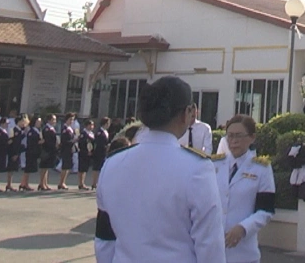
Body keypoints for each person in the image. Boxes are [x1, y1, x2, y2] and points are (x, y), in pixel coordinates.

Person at [94, 75, 226, 263]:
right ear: (186, 113)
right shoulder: (197, 168)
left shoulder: (113, 163)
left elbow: (104, 239)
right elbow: (210, 245)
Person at [214, 114, 276, 263]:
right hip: (213, 250)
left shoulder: (261, 168)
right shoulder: (214, 165)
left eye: (239, 136)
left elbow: (266, 210)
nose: (233, 141)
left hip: (243, 252)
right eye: (230, 136)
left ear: (252, 138)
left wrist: (243, 228)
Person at [4, 114, 25, 191]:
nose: (23, 123)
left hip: (17, 151)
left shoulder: (20, 130)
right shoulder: (14, 130)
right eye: (22, 121)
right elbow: (13, 143)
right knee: (11, 169)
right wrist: (15, 153)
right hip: (13, 152)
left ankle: (10, 184)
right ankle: (9, 184)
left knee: (13, 169)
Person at [20, 115, 41, 191]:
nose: (39, 123)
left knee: (29, 169)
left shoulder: (37, 130)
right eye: (38, 122)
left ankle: (24, 183)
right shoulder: (31, 131)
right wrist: (39, 142)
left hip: (34, 151)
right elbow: (31, 141)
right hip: (30, 151)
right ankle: (24, 184)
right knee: (28, 169)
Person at [58, 112, 77, 190]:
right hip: (66, 149)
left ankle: (63, 182)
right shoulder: (65, 129)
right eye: (70, 119)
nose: (71, 121)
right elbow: (65, 141)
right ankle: (61, 183)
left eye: (73, 120)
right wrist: (73, 140)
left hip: (70, 149)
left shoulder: (70, 128)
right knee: (65, 166)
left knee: (68, 167)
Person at [76, 119, 96, 190]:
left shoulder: (92, 133)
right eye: (90, 125)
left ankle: (82, 183)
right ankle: (81, 183)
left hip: (89, 153)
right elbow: (81, 144)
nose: (92, 126)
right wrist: (86, 151)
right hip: (83, 153)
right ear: (86, 125)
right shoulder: (83, 133)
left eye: (92, 125)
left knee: (85, 169)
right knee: (82, 168)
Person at [92, 116, 111, 189]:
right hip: (99, 152)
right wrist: (105, 147)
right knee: (97, 168)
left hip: (104, 152)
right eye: (108, 123)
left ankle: (99, 182)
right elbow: (98, 143)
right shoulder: (99, 132)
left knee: (102, 168)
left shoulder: (106, 132)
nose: (109, 125)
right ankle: (94, 183)